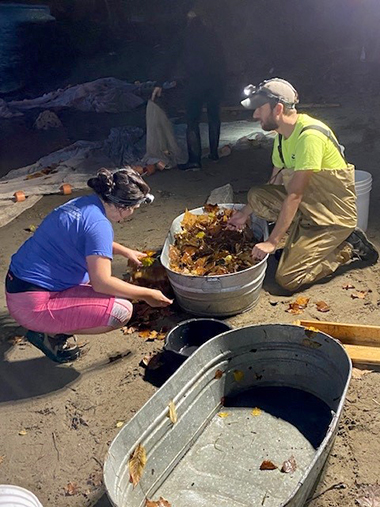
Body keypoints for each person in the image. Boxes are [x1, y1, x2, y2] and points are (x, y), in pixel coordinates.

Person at [5, 168, 173, 363]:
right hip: (31, 303)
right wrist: (147, 294)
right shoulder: (99, 225)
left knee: (108, 285)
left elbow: (86, 240)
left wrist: (125, 251)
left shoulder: (83, 204)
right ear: (124, 207)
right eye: (135, 208)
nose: (133, 212)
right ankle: (47, 332)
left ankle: (52, 321)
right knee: (121, 310)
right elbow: (101, 283)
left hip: (19, 284)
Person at [229, 78, 378, 292]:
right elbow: (274, 183)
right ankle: (302, 239)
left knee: (287, 278)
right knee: (257, 194)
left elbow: (294, 195)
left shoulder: (310, 137)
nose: (254, 115)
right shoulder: (282, 137)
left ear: (278, 109)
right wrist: (245, 214)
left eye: (259, 109)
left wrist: (272, 241)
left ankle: (346, 247)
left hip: (331, 217)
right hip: (310, 207)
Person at [151, 7, 226, 171]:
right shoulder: (212, 35)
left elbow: (170, 59)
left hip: (195, 83)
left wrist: (159, 83)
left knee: (192, 122)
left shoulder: (184, 36)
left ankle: (194, 160)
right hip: (214, 83)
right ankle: (214, 154)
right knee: (214, 117)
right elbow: (222, 61)